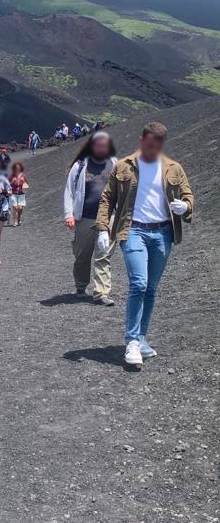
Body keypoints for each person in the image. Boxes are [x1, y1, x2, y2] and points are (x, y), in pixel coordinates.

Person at [95, 122, 193, 366]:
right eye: (149, 145)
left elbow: (188, 195)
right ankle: (131, 342)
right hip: (133, 230)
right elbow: (107, 198)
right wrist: (102, 228)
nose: (152, 150)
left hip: (162, 233)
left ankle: (140, 338)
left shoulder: (173, 168)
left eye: (157, 146)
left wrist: (186, 207)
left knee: (151, 288)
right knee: (138, 283)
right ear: (142, 140)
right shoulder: (124, 166)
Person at [63, 132, 118, 305]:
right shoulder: (80, 166)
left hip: (108, 217)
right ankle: (81, 286)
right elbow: (69, 191)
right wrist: (68, 214)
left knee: (104, 254)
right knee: (82, 255)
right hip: (84, 218)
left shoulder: (115, 163)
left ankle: (101, 292)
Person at [9, 162, 29, 227]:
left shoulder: (23, 176)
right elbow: (7, 184)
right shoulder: (11, 176)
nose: (17, 169)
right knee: (15, 207)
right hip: (13, 193)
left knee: (20, 208)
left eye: (18, 167)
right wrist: (12, 182)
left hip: (21, 193)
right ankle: (15, 221)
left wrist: (24, 182)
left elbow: (27, 184)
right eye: (16, 168)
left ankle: (19, 218)